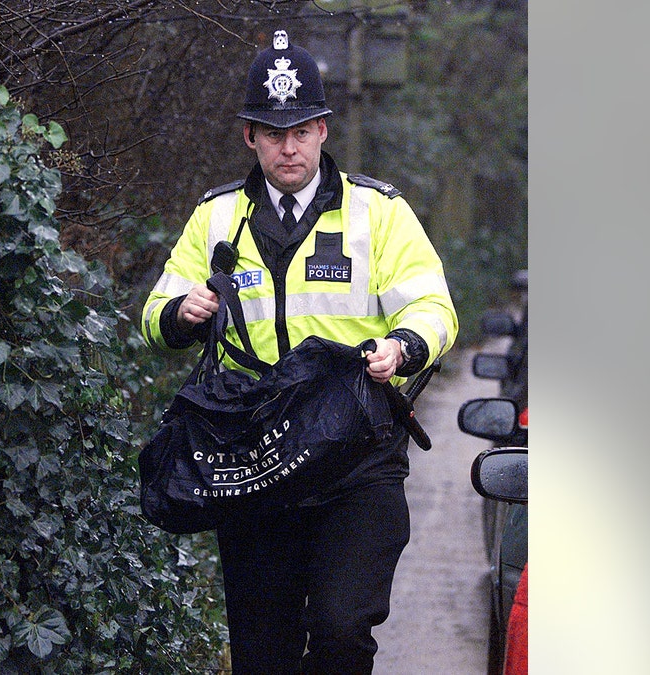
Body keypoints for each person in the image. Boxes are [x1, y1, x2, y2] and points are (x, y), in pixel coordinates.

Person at [141, 29, 458, 674]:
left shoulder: (380, 213)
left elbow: (434, 308)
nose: (288, 146)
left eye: (302, 130)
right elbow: (155, 312)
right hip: (256, 459)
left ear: (322, 130)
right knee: (264, 652)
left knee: (342, 629)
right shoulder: (216, 219)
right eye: (272, 131)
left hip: (356, 454)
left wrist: (403, 345)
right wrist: (182, 312)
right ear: (249, 137)